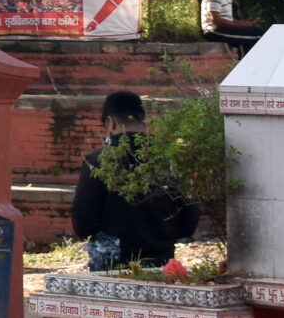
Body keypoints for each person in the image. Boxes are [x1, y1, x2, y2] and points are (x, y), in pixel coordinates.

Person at [70, 91, 199, 268]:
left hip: (112, 263)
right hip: (161, 258)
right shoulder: (171, 159)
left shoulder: (98, 162)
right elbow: (188, 222)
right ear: (144, 121)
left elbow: (83, 221)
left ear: (111, 122)